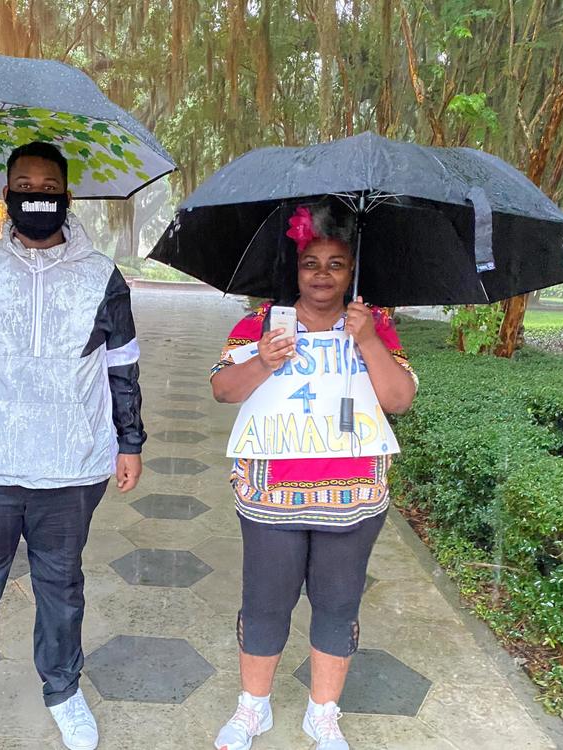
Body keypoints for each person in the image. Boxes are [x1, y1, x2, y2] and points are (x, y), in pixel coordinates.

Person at [0, 141, 145, 750]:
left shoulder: (101, 275)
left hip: (70, 464)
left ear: (65, 196)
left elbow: (122, 363)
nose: (34, 192)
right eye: (22, 182)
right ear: (7, 193)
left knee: (61, 586)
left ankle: (63, 690)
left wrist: (130, 440)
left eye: (47, 183)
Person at [210, 204, 417, 750]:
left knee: (337, 603)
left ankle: (322, 713)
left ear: (352, 271)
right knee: (265, 602)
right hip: (270, 493)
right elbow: (223, 390)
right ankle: (253, 708)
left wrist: (369, 340)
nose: (322, 275)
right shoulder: (261, 323)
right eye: (310, 263)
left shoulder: (374, 326)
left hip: (352, 495)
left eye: (336, 263)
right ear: (295, 268)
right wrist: (262, 359)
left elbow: (399, 401)